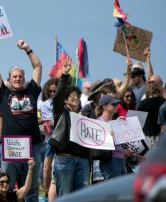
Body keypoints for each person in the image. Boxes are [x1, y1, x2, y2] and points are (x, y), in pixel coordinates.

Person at [0, 39, 42, 201]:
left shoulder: (32, 91)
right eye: (14, 76)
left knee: (31, 190)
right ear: (9, 79)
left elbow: (38, 67)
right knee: (7, 189)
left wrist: (27, 49)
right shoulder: (4, 93)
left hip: (32, 146)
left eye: (20, 76)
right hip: (10, 147)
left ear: (24, 78)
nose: (18, 79)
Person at [49, 59, 90, 196]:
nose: (76, 99)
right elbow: (58, 96)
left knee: (82, 197)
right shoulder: (61, 112)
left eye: (78, 97)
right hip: (65, 160)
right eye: (73, 97)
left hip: (82, 161)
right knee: (65, 196)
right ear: (65, 100)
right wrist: (65, 75)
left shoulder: (84, 116)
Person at [96, 95, 126, 180]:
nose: (117, 106)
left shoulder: (114, 122)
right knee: (113, 189)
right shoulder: (100, 122)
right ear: (104, 106)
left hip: (119, 158)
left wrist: (121, 125)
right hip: (110, 160)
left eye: (117, 104)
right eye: (113, 104)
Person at [137, 81, 165, 149]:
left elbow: (139, 123)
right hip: (162, 136)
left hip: (147, 137)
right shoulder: (163, 101)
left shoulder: (142, 103)